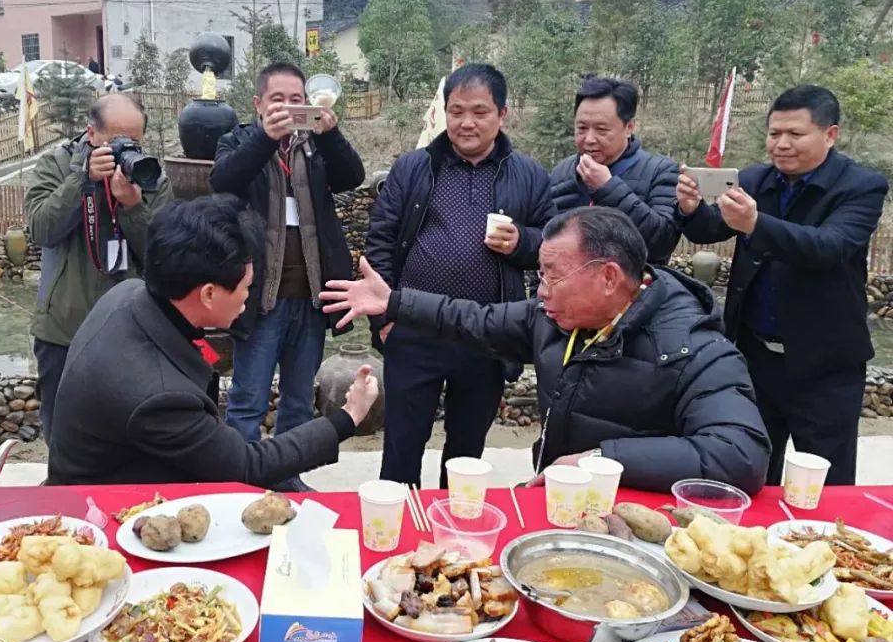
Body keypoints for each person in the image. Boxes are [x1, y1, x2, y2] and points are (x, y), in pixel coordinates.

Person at [322, 207, 771, 495]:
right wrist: (395, 302)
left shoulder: (693, 347)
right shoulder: (553, 317)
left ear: (609, 277)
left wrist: (604, 459)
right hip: (560, 501)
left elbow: (741, 455)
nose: (542, 291)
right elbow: (474, 319)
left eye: (552, 276)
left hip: (640, 521)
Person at [47, 195, 379, 486]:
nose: (248, 298)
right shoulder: (159, 398)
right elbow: (248, 465)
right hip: (101, 511)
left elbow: (193, 353)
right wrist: (346, 417)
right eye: (247, 287)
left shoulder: (128, 295)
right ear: (208, 293)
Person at [676, 85, 886, 487]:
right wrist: (689, 208)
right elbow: (710, 228)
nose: (782, 144)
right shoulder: (756, 179)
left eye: (795, 134)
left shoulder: (861, 186)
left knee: (825, 481)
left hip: (825, 364)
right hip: (755, 356)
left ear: (830, 134)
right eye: (774, 134)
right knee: (750, 470)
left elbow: (829, 248)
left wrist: (757, 224)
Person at [363, 63, 555, 488]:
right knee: (400, 450)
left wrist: (522, 241)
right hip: (413, 330)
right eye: (456, 111)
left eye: (480, 111)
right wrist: (385, 320)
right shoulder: (413, 168)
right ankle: (397, 535)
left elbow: (555, 247)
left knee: (466, 454)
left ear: (502, 114)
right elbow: (380, 241)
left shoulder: (529, 175)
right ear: (443, 113)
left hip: (486, 334)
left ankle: (456, 537)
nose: (466, 122)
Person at [210, 62, 365, 491]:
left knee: (298, 401)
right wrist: (266, 137)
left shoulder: (315, 148)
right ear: (258, 103)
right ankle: (239, 481)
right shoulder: (240, 140)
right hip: (260, 298)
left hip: (312, 299)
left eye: (297, 100)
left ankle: (285, 478)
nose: (288, 107)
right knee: (247, 400)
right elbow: (223, 181)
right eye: (278, 99)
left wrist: (330, 133)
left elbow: (353, 176)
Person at [24, 92, 172, 446]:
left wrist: (133, 206)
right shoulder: (56, 165)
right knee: (62, 430)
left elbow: (164, 255)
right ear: (91, 134)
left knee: (125, 431)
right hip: (64, 327)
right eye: (116, 141)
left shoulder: (148, 174)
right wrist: (82, 181)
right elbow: (41, 229)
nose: (126, 149)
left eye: (133, 141)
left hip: (130, 327)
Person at [550, 77, 680, 264]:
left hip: (633, 289)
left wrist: (609, 188)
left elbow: (662, 243)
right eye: (582, 128)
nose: (589, 139)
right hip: (570, 287)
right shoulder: (562, 171)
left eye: (601, 130)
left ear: (629, 127)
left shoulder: (661, 171)